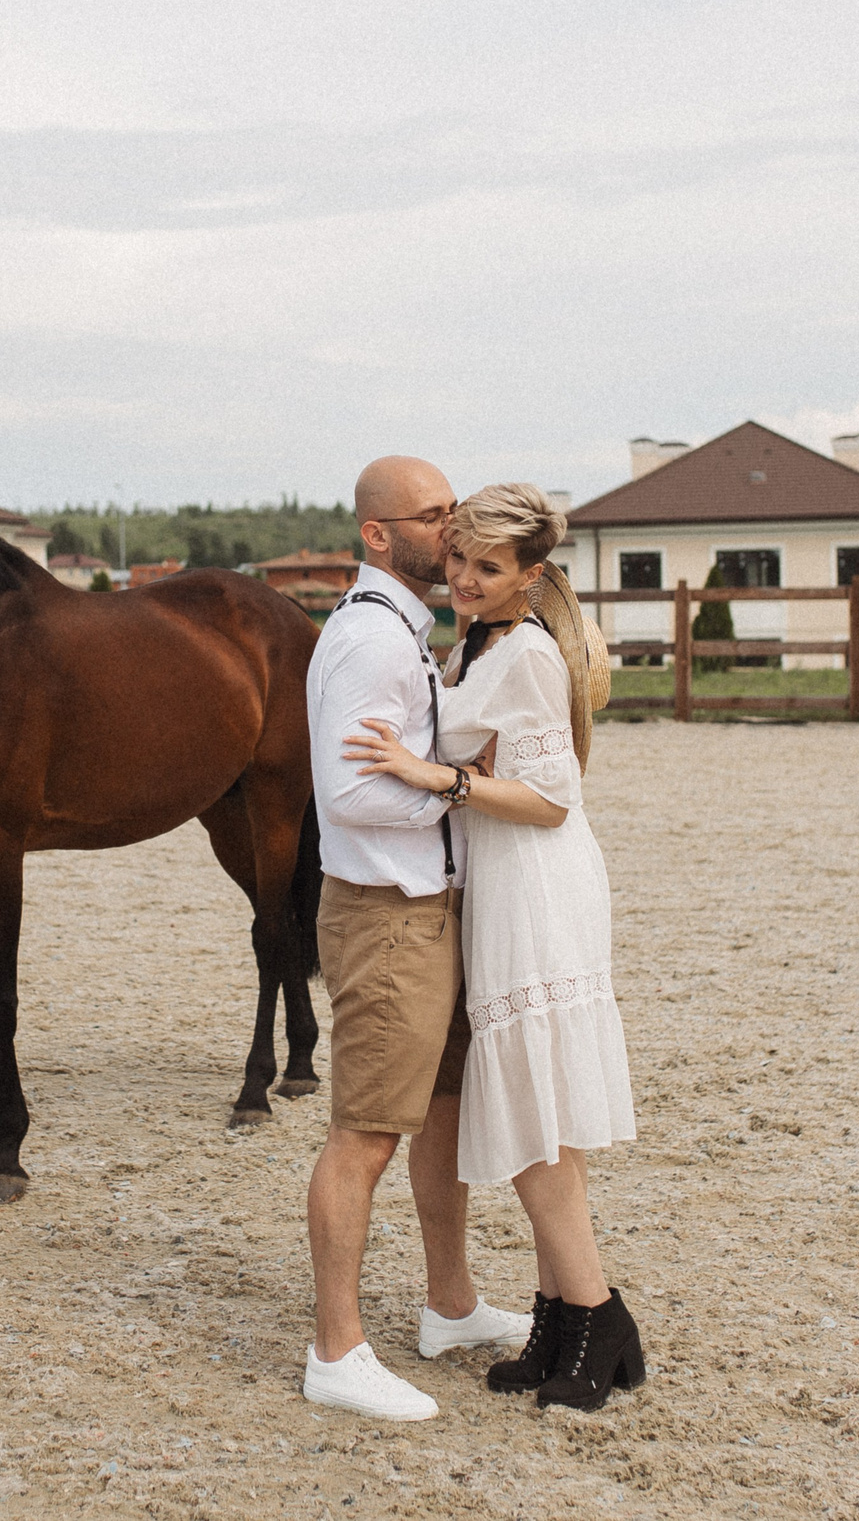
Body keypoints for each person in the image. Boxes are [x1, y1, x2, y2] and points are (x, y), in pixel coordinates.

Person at [344, 482, 641, 1411]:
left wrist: (436, 778)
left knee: (537, 1115)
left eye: (489, 566)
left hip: (539, 888)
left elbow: (553, 800)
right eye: (461, 559)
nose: (466, 578)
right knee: (531, 1108)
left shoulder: (532, 656)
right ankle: (563, 1318)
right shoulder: (482, 641)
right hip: (502, 885)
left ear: (531, 575)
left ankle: (596, 1313)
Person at [300, 456, 533, 1421]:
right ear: (379, 535)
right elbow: (346, 790)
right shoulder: (369, 639)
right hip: (385, 917)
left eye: (451, 511)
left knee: (439, 1112)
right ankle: (336, 1347)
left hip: (425, 909)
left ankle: (449, 1303)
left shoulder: (411, 628)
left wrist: (439, 769)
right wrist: (448, 787)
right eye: (433, 516)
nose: (452, 530)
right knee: (365, 1133)